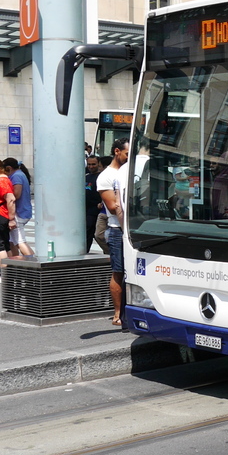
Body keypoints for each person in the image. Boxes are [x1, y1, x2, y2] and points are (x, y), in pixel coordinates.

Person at [97, 139, 129, 327]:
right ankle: (117, 313)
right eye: (126, 154)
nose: (128, 158)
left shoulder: (127, 172)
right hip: (117, 229)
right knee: (118, 271)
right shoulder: (106, 176)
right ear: (117, 151)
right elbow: (113, 205)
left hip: (130, 228)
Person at [1, 158, 36, 258]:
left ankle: (32, 263)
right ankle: (15, 265)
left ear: (9, 168)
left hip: (19, 212)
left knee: (20, 242)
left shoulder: (16, 176)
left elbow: (16, 195)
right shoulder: (19, 174)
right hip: (22, 211)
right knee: (12, 242)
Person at [85, 154, 107, 254]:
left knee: (95, 234)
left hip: (96, 211)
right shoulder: (86, 176)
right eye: (89, 164)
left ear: (98, 164)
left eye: (93, 164)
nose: (91, 166)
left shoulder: (101, 177)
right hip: (86, 210)